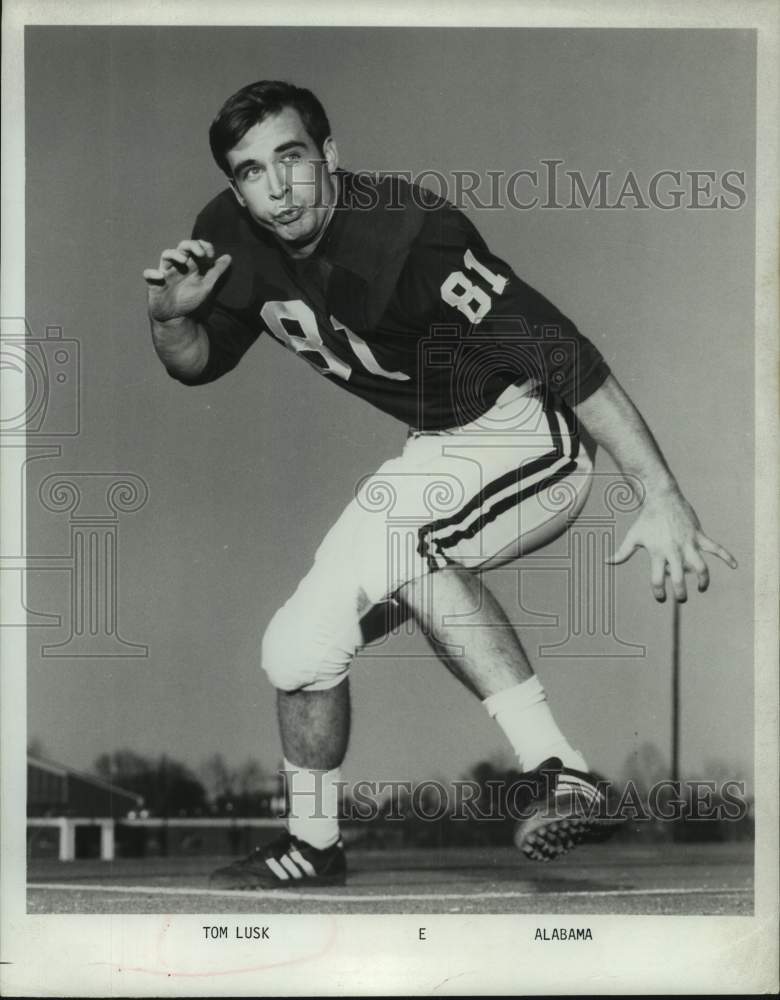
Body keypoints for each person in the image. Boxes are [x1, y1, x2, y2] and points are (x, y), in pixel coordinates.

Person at [144, 80, 737, 888]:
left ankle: (559, 768)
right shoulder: (228, 236)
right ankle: (313, 845)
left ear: (331, 157)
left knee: (407, 543)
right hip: (438, 446)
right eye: (251, 171)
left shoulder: (409, 238)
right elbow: (198, 365)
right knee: (296, 649)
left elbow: (567, 356)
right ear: (234, 186)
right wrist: (171, 319)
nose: (277, 188)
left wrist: (659, 494)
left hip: (526, 427)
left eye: (292, 159)